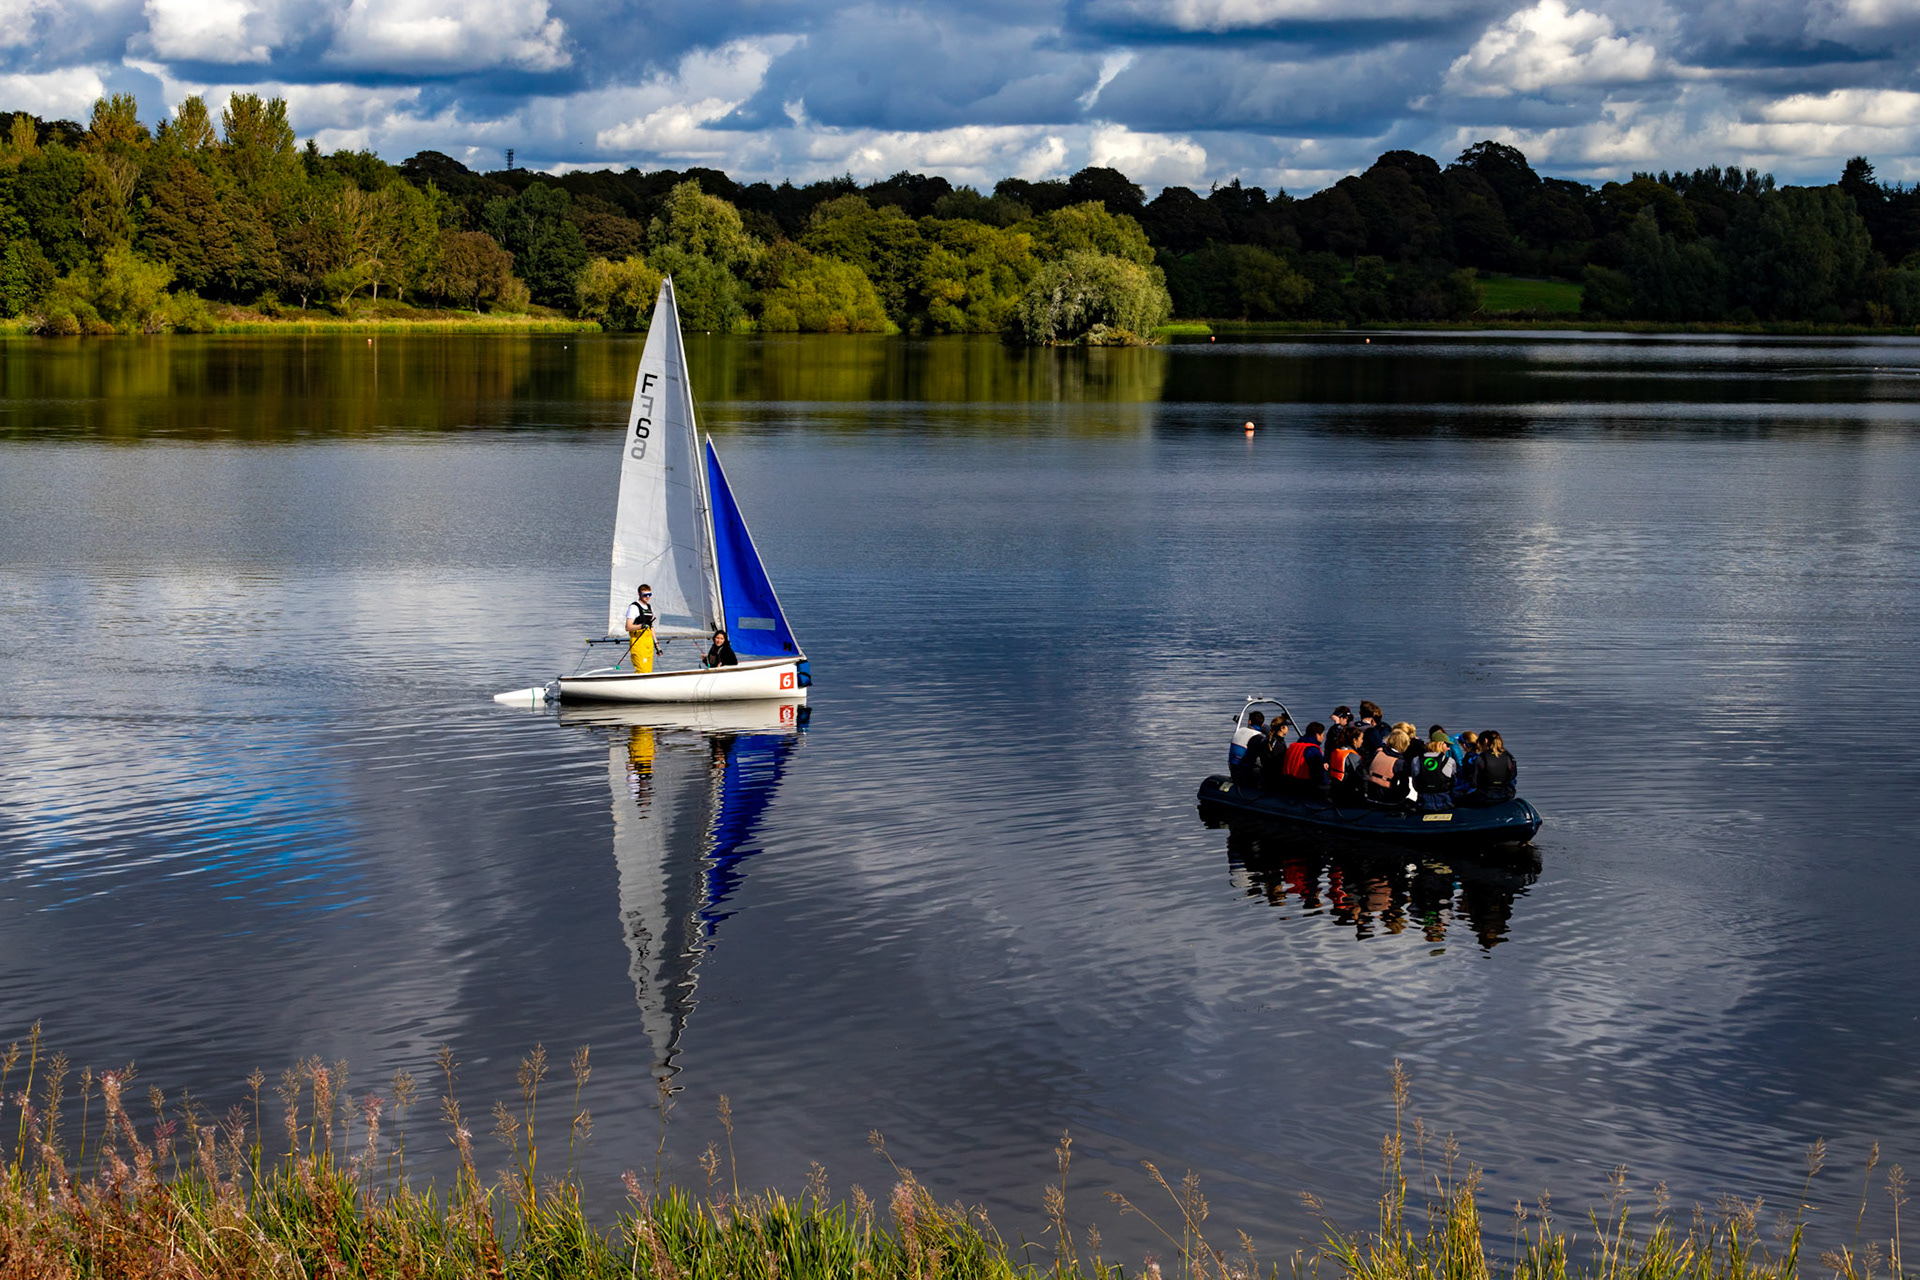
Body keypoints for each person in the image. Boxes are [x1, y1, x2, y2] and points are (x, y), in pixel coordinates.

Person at [1466, 730, 1518, 802]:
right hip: (1505, 795)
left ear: (1486, 741)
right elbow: (1512, 777)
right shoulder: (1509, 758)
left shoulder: (1480, 758)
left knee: (1458, 800)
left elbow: (1473, 783)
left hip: (1484, 796)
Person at [1365, 729, 1413, 805]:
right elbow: (1404, 786)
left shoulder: (1378, 753)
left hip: (1370, 791)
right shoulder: (1399, 762)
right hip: (1386, 796)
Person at [1412, 730, 1457, 811]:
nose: (1448, 748)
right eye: (1447, 745)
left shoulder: (1416, 760)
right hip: (1444, 802)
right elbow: (1454, 782)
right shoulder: (1450, 761)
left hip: (1423, 802)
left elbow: (1415, 783)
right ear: (1440, 744)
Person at [1282, 721, 1327, 790]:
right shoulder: (1313, 750)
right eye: (1323, 735)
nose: (1323, 738)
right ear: (1317, 735)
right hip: (1305, 785)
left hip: (1288, 782)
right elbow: (1319, 774)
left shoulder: (1294, 746)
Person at [1323, 726, 1364, 800]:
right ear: (1354, 740)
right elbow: (1359, 776)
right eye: (1361, 738)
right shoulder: (1353, 755)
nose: (1362, 741)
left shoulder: (1337, 751)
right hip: (1347, 791)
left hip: (1335, 787)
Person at [624, 584, 656, 673]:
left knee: (649, 671)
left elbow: (651, 627)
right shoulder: (634, 607)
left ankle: (647, 686)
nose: (648, 597)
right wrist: (641, 626)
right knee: (642, 670)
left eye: (650, 594)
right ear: (639, 595)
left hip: (649, 643)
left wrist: (656, 645)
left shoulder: (650, 607)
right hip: (638, 642)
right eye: (645, 595)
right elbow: (628, 627)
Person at [1230, 710, 1267, 782]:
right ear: (1262, 724)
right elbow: (1260, 761)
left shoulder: (1240, 731)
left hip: (1233, 768)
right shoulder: (1259, 737)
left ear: (1249, 722)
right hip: (1245, 772)